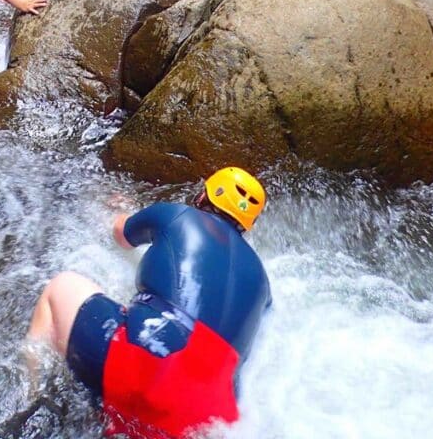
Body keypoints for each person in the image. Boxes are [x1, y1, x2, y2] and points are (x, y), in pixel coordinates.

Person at [26, 167, 271, 439]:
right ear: (248, 224)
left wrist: (122, 208)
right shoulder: (263, 282)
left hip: (147, 364)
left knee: (61, 286)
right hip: (209, 416)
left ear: (203, 195)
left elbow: (122, 234)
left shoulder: (177, 214)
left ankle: (32, 398)